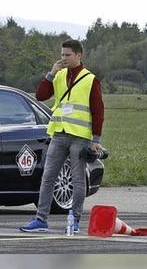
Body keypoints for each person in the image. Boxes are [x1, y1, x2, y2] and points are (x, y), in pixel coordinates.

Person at [20, 39, 104, 234]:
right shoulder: (59, 75)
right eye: (62, 54)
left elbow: (98, 111)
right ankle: (40, 219)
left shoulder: (90, 79)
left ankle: (74, 220)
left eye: (67, 55)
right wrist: (51, 74)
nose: (63, 58)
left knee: (77, 179)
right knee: (48, 177)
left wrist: (96, 140)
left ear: (78, 56)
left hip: (79, 137)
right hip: (58, 134)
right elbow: (40, 96)